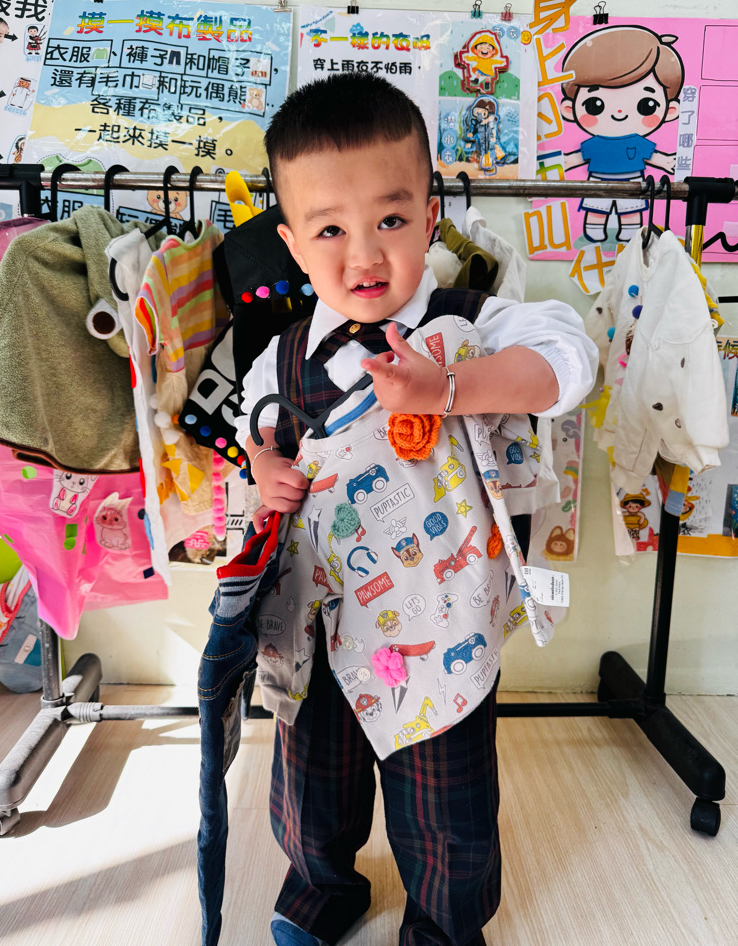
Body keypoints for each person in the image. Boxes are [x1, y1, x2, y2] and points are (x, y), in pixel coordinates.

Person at [235, 72, 597, 946]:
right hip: (319, 622)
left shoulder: (476, 323)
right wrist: (265, 468)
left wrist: (450, 389)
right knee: (310, 787)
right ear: (292, 243)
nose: (364, 256)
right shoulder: (281, 353)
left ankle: (443, 925)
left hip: (442, 622)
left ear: (431, 217)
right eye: (330, 229)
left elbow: (568, 361)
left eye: (391, 221)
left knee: (447, 806)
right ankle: (321, 890)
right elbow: (257, 431)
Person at [559, 25, 684, 244]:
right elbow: (579, 157)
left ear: (670, 110)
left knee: (631, 210)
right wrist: (564, 162)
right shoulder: (595, 143)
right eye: (595, 104)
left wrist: (666, 162)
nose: (619, 112)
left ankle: (630, 232)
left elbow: (652, 156)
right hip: (598, 179)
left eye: (646, 105)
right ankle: (594, 230)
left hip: (633, 179)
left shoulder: (637, 141)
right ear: (569, 109)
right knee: (597, 208)